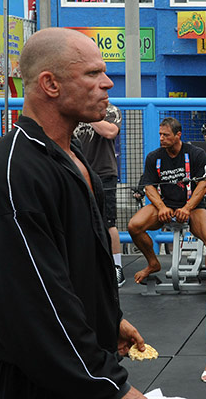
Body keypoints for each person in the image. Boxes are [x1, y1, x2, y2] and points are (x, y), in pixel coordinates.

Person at [0, 27, 147, 398]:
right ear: (50, 84)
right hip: (43, 383)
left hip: (82, 371)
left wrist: (109, 319)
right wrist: (115, 388)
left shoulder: (73, 157)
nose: (106, 83)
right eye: (92, 74)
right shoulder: (13, 174)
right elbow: (36, 311)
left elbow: (73, 267)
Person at [127, 117, 206, 284]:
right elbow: (149, 186)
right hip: (166, 205)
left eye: (166, 135)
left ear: (178, 135)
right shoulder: (154, 157)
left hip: (193, 208)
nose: (161, 138)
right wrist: (161, 207)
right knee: (134, 226)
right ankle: (153, 263)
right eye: (160, 134)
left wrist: (187, 208)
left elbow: (203, 185)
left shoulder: (196, 154)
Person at [74, 104, 126, 287]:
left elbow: (110, 132)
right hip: (77, 170)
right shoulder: (74, 108)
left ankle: (116, 267)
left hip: (104, 172)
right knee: (78, 220)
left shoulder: (110, 110)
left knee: (108, 221)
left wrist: (88, 114)